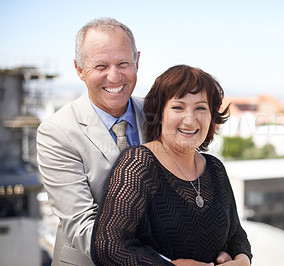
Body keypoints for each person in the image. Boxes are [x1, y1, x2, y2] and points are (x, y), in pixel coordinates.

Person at [37, 18, 233, 266]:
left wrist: (222, 251)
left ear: (137, 62)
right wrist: (167, 262)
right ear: (79, 69)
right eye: (100, 66)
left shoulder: (159, 113)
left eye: (123, 63)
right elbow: (82, 225)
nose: (114, 76)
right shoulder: (56, 132)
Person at [91, 65, 252, 265]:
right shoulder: (139, 163)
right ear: (159, 113)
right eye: (178, 107)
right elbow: (109, 247)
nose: (190, 119)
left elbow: (236, 234)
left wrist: (243, 259)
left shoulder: (215, 168)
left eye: (201, 108)